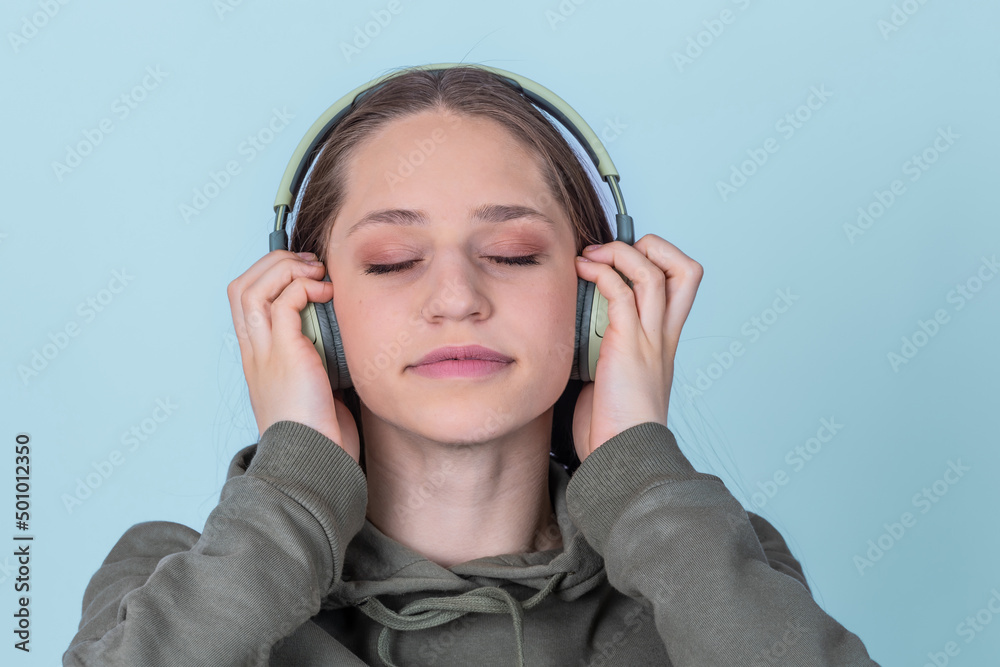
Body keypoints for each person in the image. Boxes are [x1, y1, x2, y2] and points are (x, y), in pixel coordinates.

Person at [64, 64, 880, 666]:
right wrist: (291, 488)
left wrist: (640, 478)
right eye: (389, 261)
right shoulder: (175, 581)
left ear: (597, 300)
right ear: (314, 314)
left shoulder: (710, 563)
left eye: (513, 252)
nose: (456, 297)